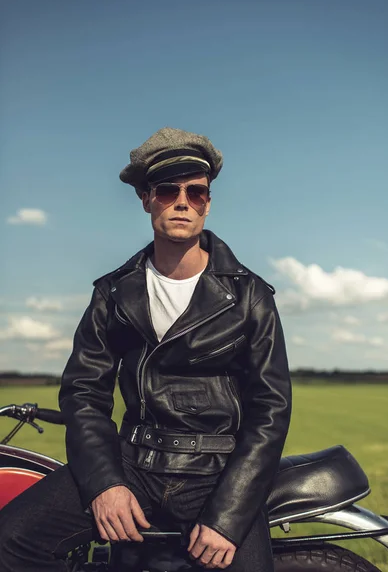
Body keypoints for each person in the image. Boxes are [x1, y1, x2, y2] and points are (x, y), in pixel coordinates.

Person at [0, 127, 292, 571]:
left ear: (207, 203)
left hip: (215, 472)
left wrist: (228, 517)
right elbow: (84, 393)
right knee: (13, 537)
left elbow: (270, 409)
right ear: (146, 198)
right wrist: (104, 484)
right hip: (133, 461)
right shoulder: (114, 292)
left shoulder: (250, 295)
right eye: (167, 190)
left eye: (196, 192)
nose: (182, 202)